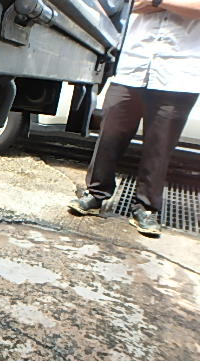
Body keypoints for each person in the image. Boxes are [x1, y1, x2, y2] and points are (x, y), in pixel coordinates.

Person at [69, 0, 200, 236]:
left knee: (159, 147)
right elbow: (129, 5)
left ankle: (146, 208)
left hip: (179, 73)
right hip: (132, 66)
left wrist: (157, 2)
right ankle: (96, 194)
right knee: (110, 134)